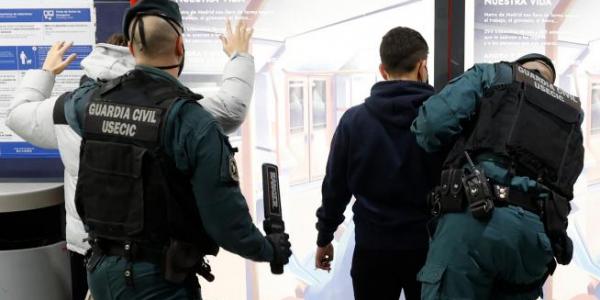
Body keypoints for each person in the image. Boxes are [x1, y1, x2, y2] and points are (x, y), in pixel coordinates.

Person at [7, 1, 291, 299]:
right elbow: (231, 112)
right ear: (179, 46)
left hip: (97, 263)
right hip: (157, 276)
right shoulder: (182, 116)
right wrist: (269, 249)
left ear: (133, 49)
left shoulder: (79, 105)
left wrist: (45, 72)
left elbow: (17, 115)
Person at [411, 54, 584, 299]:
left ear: (519, 68)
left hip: (477, 220)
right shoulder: (573, 115)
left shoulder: (495, 76)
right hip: (536, 240)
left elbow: (430, 126)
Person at [314, 26, 445, 300]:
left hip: (372, 249)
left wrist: (324, 238)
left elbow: (335, 187)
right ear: (423, 67)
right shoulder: (442, 121)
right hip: (428, 251)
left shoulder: (353, 121)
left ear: (383, 70)